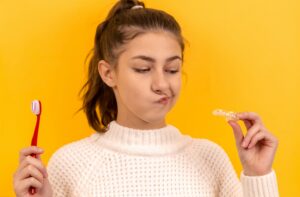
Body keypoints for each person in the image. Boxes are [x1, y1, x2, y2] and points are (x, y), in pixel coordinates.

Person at [13, 0, 280, 196]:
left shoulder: (210, 158)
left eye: (172, 69)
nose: (162, 84)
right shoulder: (71, 164)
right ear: (108, 73)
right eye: (143, 69)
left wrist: (258, 175)